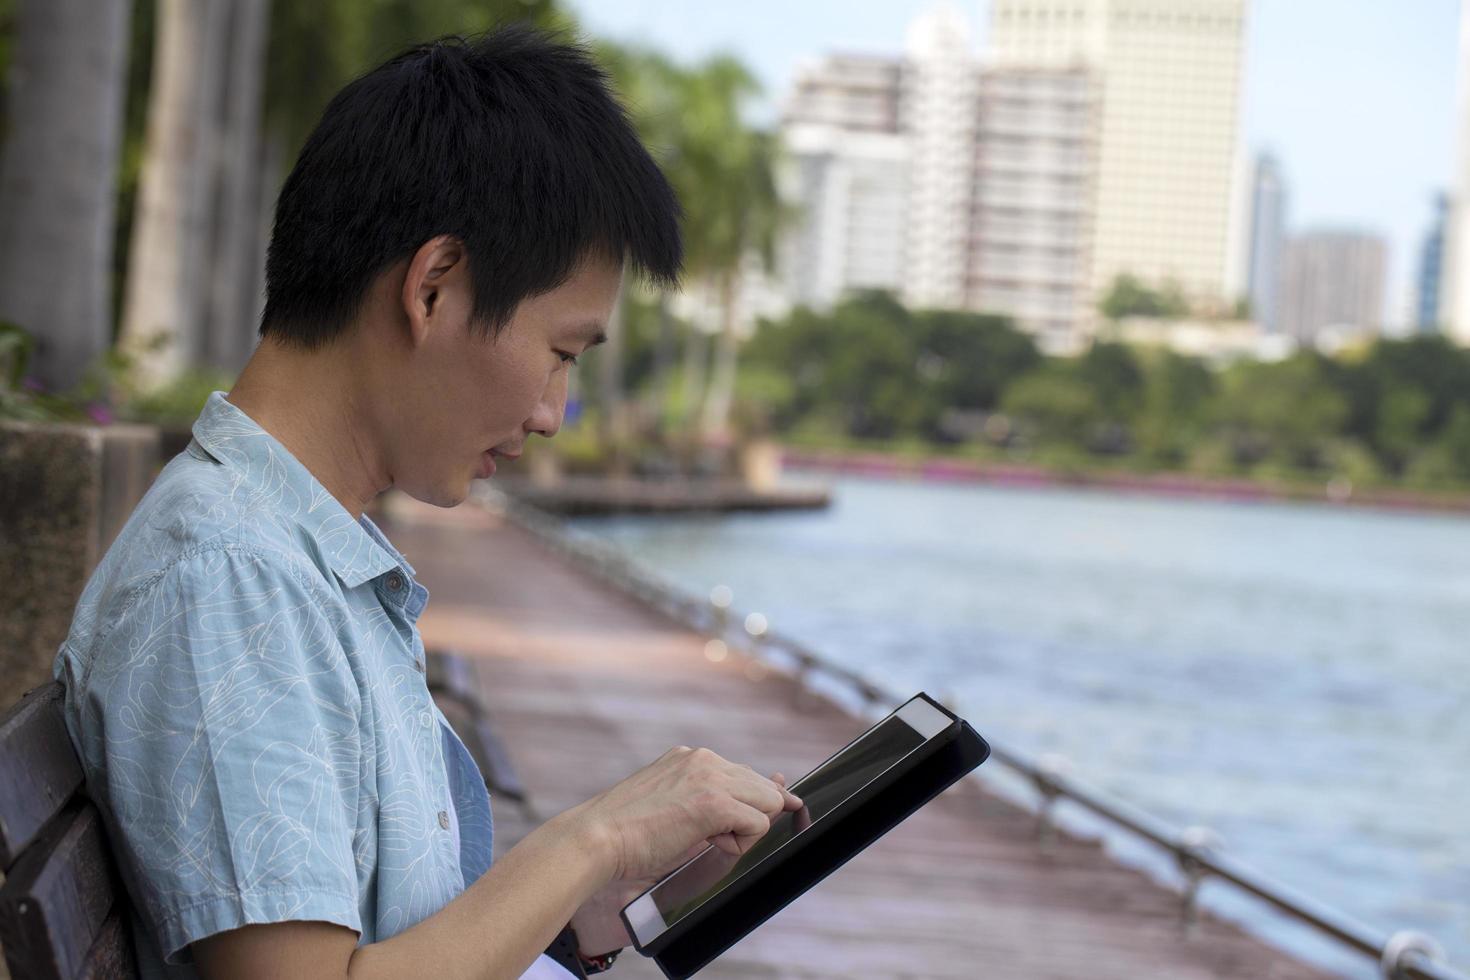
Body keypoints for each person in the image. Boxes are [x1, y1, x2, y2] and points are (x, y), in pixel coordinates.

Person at [52, 26, 802, 980]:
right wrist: (592, 842)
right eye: (561, 352)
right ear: (435, 287)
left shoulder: (299, 555)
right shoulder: (233, 579)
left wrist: (594, 910)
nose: (551, 414)